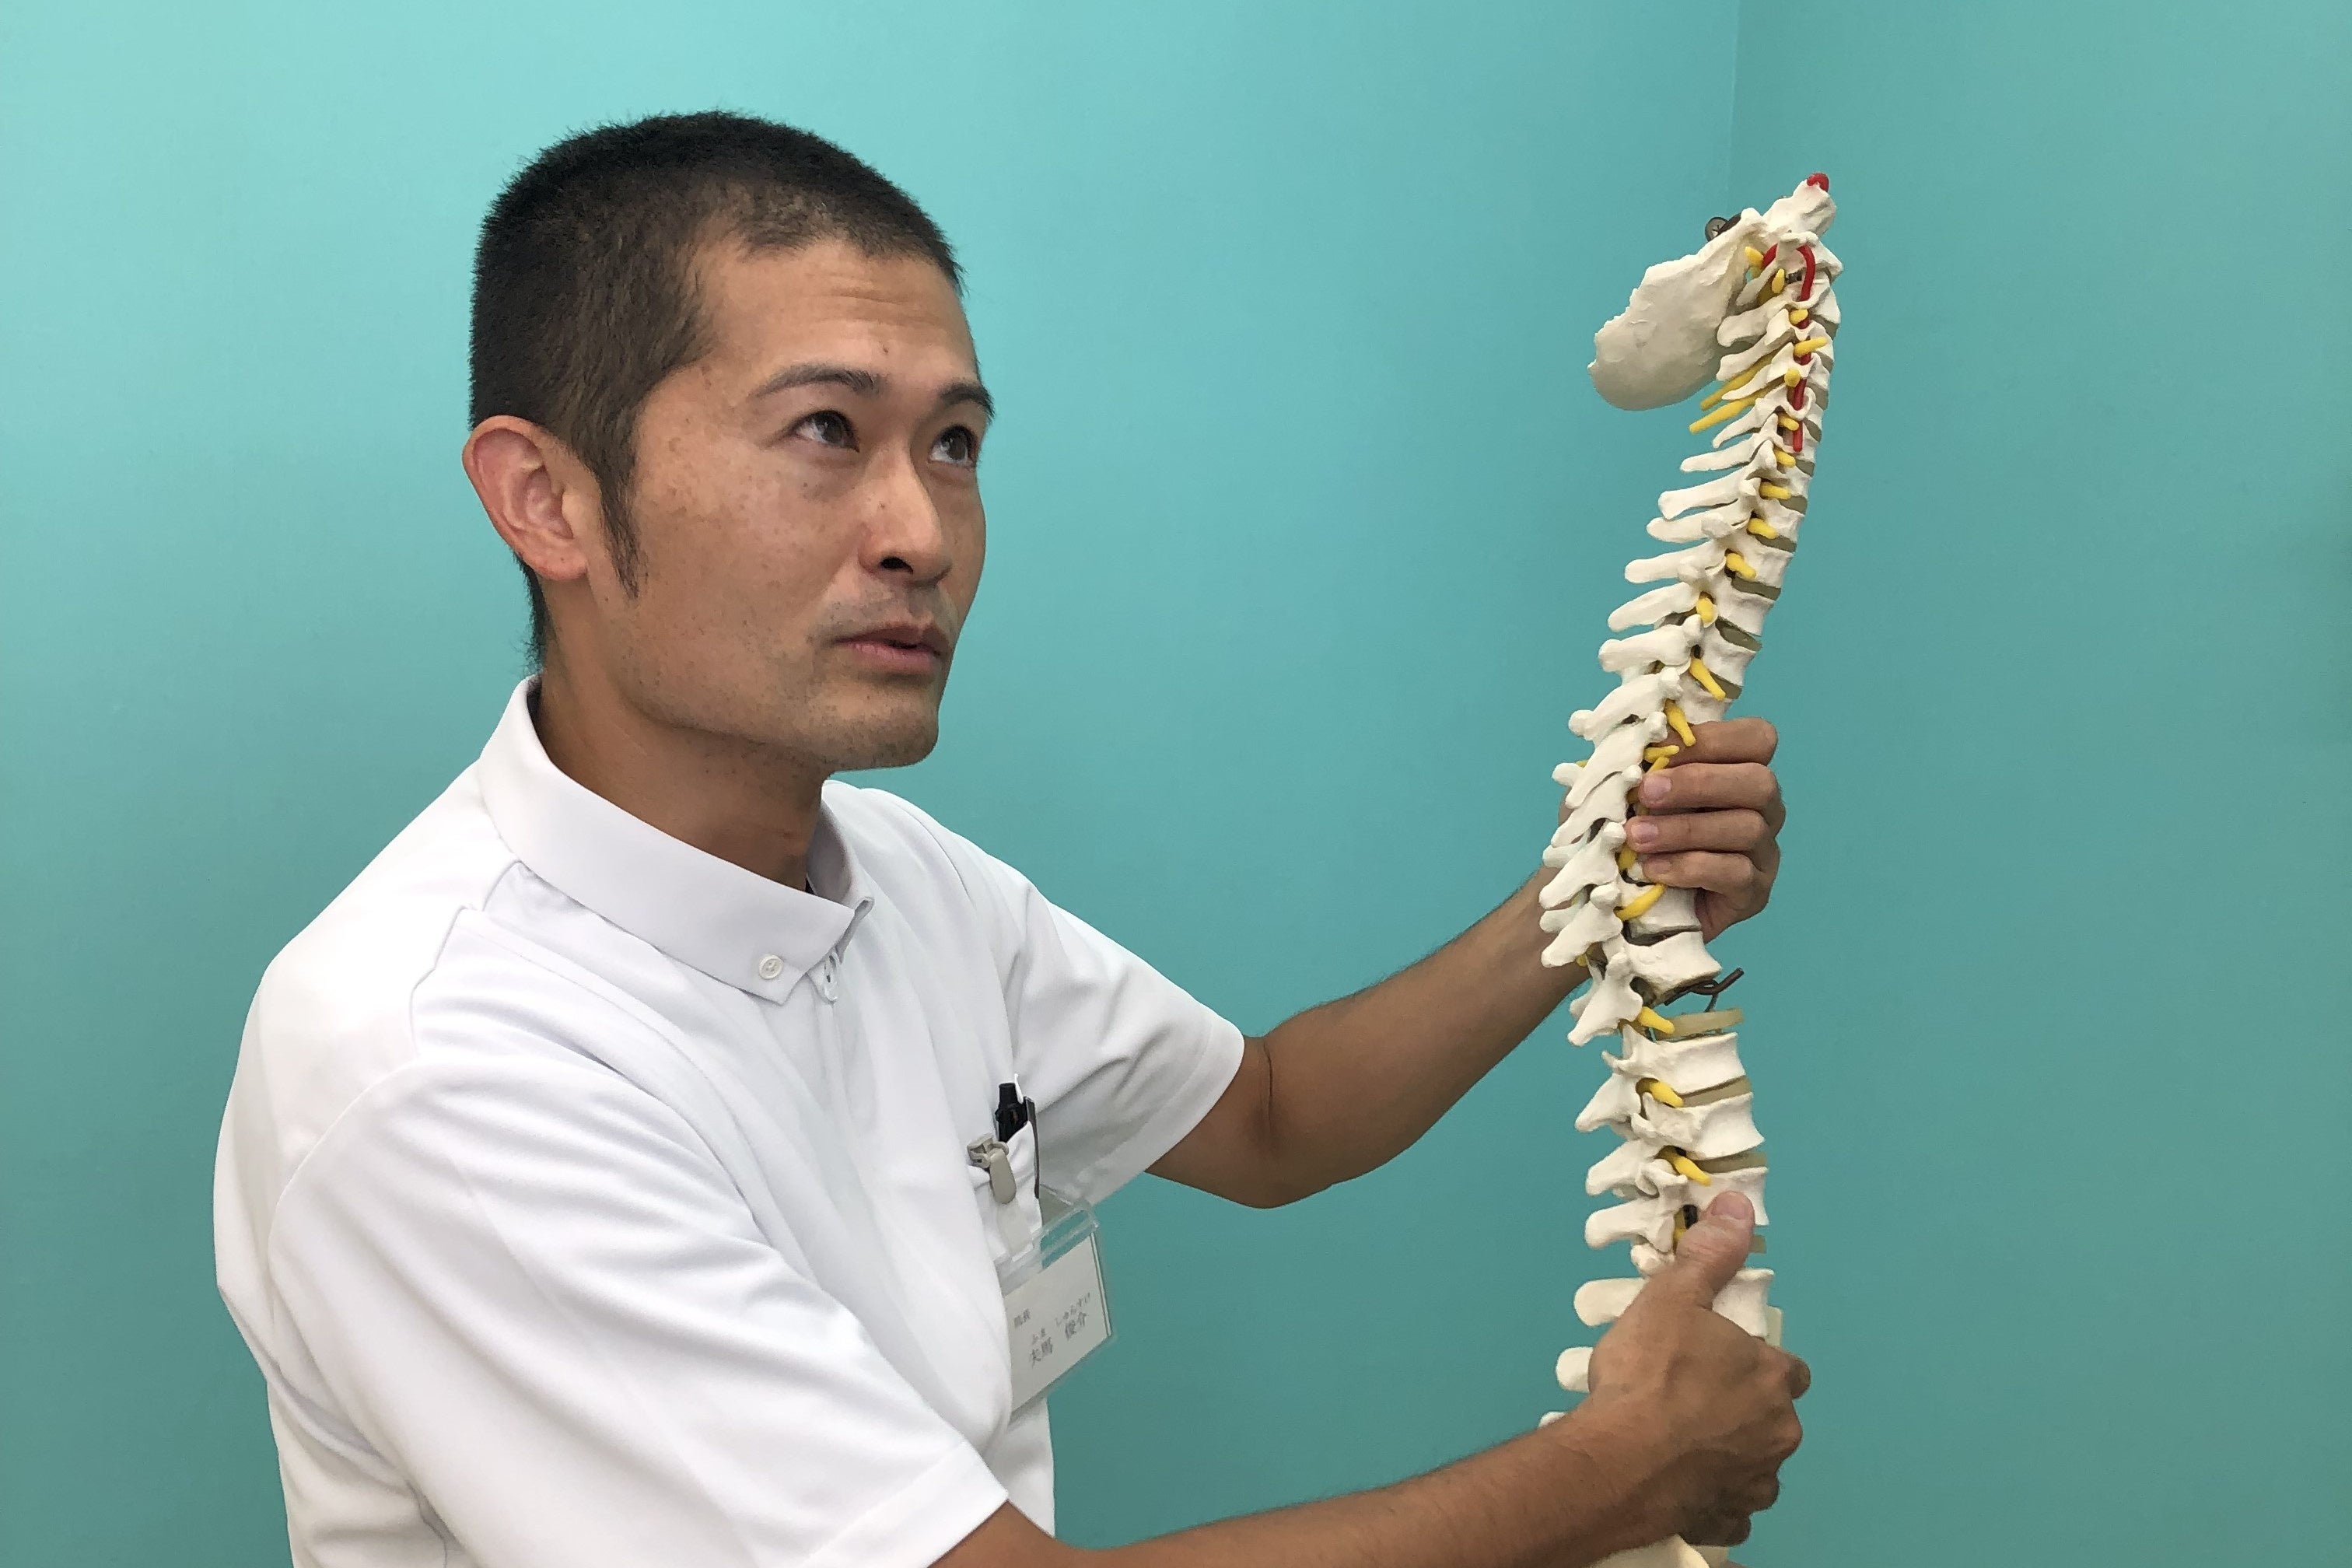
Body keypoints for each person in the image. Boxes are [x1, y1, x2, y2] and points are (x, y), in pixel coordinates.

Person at [214, 110, 1805, 1568]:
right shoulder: (441, 1072)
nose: (921, 532)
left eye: (955, 445)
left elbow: (1271, 1114)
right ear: (546, 500)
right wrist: (1618, 1471)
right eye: (824, 430)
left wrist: (1596, 888)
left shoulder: (900, 879)